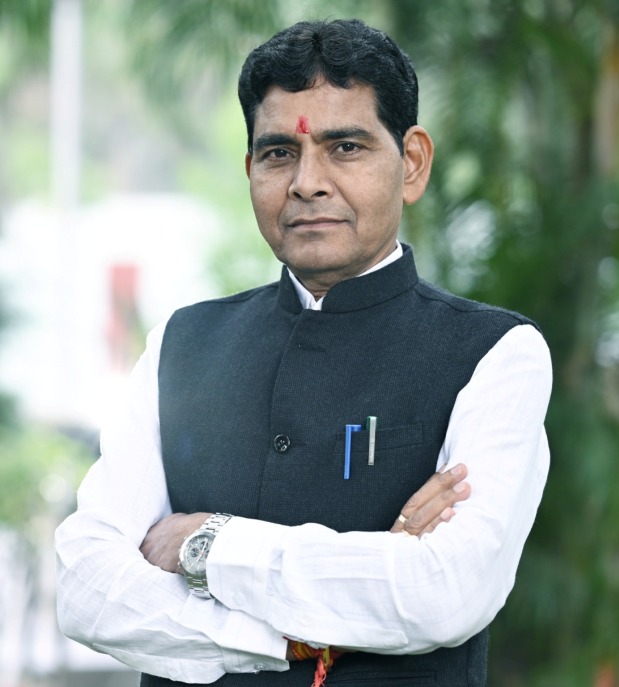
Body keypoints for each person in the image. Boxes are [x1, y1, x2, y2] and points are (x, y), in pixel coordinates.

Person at [55, 18, 551, 687]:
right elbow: (87, 589)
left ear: (411, 163)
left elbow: (443, 593)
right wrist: (286, 636)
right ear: (250, 171)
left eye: (344, 147)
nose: (306, 182)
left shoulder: (494, 354)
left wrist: (207, 544)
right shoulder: (182, 344)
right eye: (278, 154)